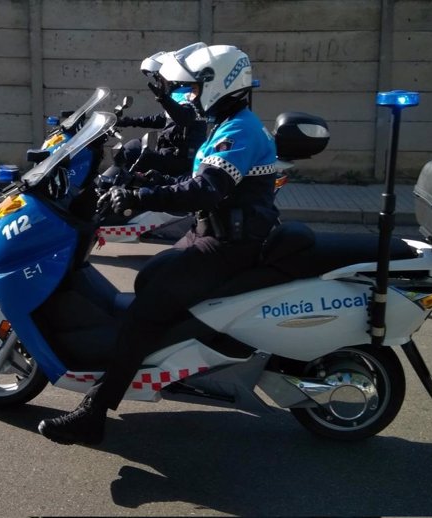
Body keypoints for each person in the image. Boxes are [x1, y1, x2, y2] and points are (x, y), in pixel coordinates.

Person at [38, 43, 279, 445]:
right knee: (150, 279)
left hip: (227, 244)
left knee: (144, 313)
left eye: (195, 89)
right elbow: (195, 180)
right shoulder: (229, 122)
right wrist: (145, 184)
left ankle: (93, 413)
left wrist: (140, 198)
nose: (189, 97)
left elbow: (205, 189)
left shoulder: (239, 129)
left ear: (217, 85)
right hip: (214, 233)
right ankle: (165, 356)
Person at [111, 48, 208, 178]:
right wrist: (128, 121)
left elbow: (185, 118)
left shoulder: (188, 93)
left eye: (159, 77)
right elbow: (163, 118)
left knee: (133, 154)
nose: (159, 82)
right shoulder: (178, 94)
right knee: (131, 149)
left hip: (181, 158)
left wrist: (163, 99)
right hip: (169, 150)